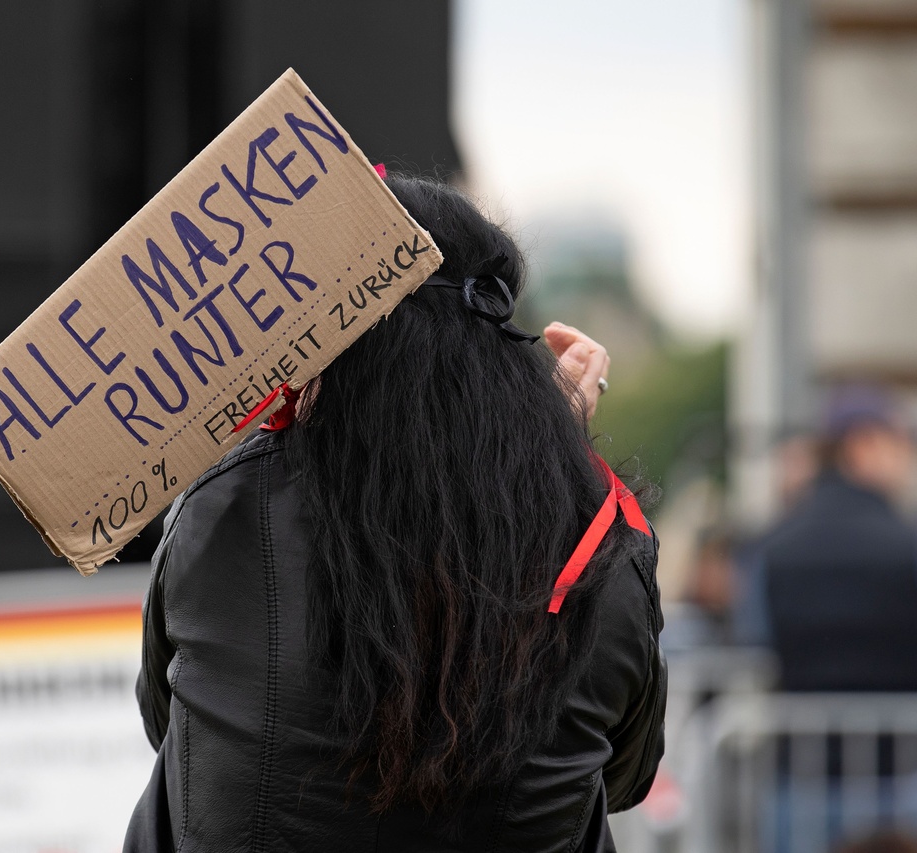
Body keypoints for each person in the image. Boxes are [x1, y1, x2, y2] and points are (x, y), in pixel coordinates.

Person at [125, 174, 665, 851]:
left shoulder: (223, 509)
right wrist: (558, 453)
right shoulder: (600, 545)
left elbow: (170, 720)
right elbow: (624, 771)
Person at [755, 386, 917, 691]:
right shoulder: (907, 543)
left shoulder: (773, 544)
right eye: (901, 441)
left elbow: (753, 638)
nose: (908, 456)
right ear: (863, 445)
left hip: (795, 731)